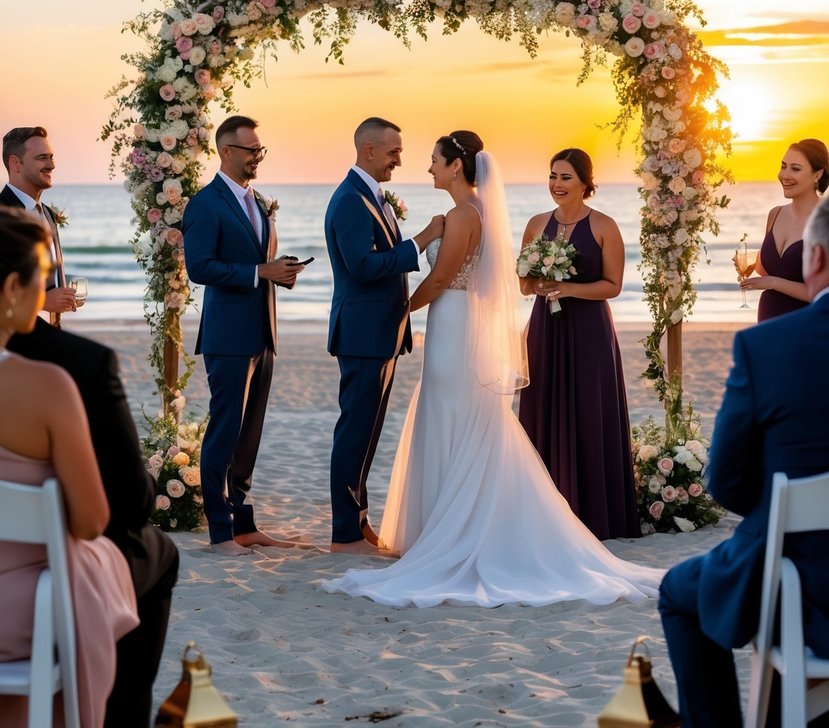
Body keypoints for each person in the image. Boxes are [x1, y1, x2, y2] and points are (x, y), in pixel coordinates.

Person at [323, 131, 663, 607]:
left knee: (452, 415)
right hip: (458, 323)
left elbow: (442, 278)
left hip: (455, 324)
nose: (429, 169)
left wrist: (401, 310)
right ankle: (446, 522)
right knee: (456, 415)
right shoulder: (475, 211)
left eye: (435, 160)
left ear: (456, 167)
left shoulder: (464, 215)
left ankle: (448, 527)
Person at [658, 194, 829, 728]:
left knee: (680, 592)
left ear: (817, 259)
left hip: (801, 577)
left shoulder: (770, 348)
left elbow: (725, 479)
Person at [7, 318, 179, 728]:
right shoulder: (75, 365)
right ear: (18, 287)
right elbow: (119, 510)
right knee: (157, 555)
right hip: (33, 599)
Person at [0, 208, 138, 728]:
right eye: (40, 276)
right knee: (112, 566)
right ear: (12, 288)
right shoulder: (43, 385)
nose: (46, 289)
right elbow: (91, 519)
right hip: (16, 612)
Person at [183, 114, 306, 556]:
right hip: (227, 337)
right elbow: (199, 268)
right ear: (226, 152)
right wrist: (258, 271)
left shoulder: (260, 203)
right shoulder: (204, 204)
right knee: (225, 430)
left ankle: (243, 522)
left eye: (260, 149)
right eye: (251, 150)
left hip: (262, 334)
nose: (258, 157)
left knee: (249, 434)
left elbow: (259, 263)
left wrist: (279, 274)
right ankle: (219, 531)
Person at [325, 116, 444, 556]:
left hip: (382, 333)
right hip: (361, 334)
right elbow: (363, 266)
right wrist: (422, 240)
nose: (400, 158)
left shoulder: (373, 196)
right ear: (369, 149)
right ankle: (345, 533)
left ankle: (358, 523)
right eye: (394, 151)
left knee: (368, 433)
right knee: (354, 432)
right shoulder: (350, 201)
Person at [517, 147, 639, 539]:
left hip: (588, 331)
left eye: (566, 177)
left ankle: (594, 513)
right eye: (553, 176)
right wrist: (540, 285)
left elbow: (613, 285)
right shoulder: (536, 224)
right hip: (546, 330)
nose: (557, 184)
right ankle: (543, 511)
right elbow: (522, 283)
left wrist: (566, 288)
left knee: (589, 410)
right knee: (544, 407)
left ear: (586, 182)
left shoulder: (604, 225)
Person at [738, 137, 828, 321]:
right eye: (783, 166)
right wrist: (748, 263)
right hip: (768, 318)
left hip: (806, 323)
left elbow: (822, 294)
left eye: (795, 169)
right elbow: (767, 270)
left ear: (817, 175)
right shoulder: (775, 214)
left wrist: (773, 283)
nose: (784, 175)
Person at [1, 125, 79, 326]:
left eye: (51, 157)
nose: (51, 165)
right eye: (42, 158)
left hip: (50, 329)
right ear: (16, 163)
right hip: (11, 335)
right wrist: (43, 301)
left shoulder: (47, 213)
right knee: (103, 358)